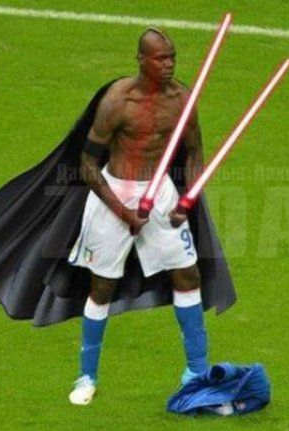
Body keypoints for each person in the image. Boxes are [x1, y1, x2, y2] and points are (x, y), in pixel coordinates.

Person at [67, 28, 209, 405]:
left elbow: (195, 152)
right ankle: (86, 377)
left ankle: (197, 372)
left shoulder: (182, 100)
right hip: (114, 195)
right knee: (102, 287)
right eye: (161, 58)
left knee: (188, 275)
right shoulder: (118, 101)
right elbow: (87, 164)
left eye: (172, 57)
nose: (169, 65)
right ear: (142, 60)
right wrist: (123, 212)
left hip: (160, 193)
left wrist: (188, 200)